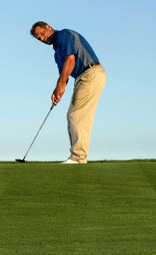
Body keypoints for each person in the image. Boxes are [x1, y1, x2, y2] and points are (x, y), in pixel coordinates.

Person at [30, 21, 106, 164]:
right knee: (79, 115)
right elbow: (64, 77)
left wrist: (60, 86)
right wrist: (58, 91)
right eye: (37, 37)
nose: (41, 38)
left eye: (41, 33)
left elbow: (70, 61)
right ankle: (79, 156)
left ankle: (78, 157)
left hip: (91, 73)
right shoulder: (57, 53)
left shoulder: (63, 35)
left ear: (48, 27)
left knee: (76, 115)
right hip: (84, 77)